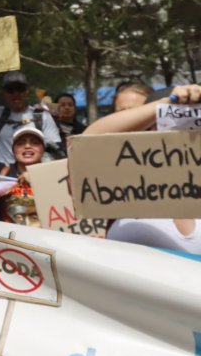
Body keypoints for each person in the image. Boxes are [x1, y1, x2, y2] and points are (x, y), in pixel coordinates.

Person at [83, 83, 201, 254]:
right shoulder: (122, 182)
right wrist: (166, 103)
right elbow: (87, 143)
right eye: (170, 120)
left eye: (190, 121)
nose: (179, 130)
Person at [0, 70, 62, 167]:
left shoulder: (42, 117)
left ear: (27, 91)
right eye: (10, 90)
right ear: (4, 93)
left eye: (20, 89)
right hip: (2, 174)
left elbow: (55, 150)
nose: (15, 93)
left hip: (31, 174)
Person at [0, 125, 44, 225]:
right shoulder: (5, 173)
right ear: (13, 150)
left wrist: (36, 178)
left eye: (35, 143)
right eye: (20, 143)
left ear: (43, 150)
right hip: (10, 236)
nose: (27, 146)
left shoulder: (52, 174)